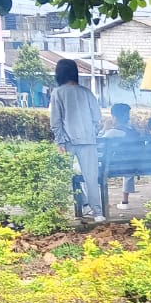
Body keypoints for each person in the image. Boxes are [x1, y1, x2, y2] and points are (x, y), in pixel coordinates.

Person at [49, 60, 104, 222]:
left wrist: (60, 142)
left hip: (67, 143)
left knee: (62, 177)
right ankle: (97, 213)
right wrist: (91, 133)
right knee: (91, 178)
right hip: (89, 141)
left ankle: (60, 212)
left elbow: (55, 122)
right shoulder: (87, 92)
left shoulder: (57, 93)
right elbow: (97, 118)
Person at [101, 102, 141, 209]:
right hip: (135, 166)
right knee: (129, 163)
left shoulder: (112, 132)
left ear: (114, 117)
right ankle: (125, 202)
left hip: (115, 167)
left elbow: (100, 145)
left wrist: (104, 129)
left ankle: (97, 203)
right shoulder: (133, 131)